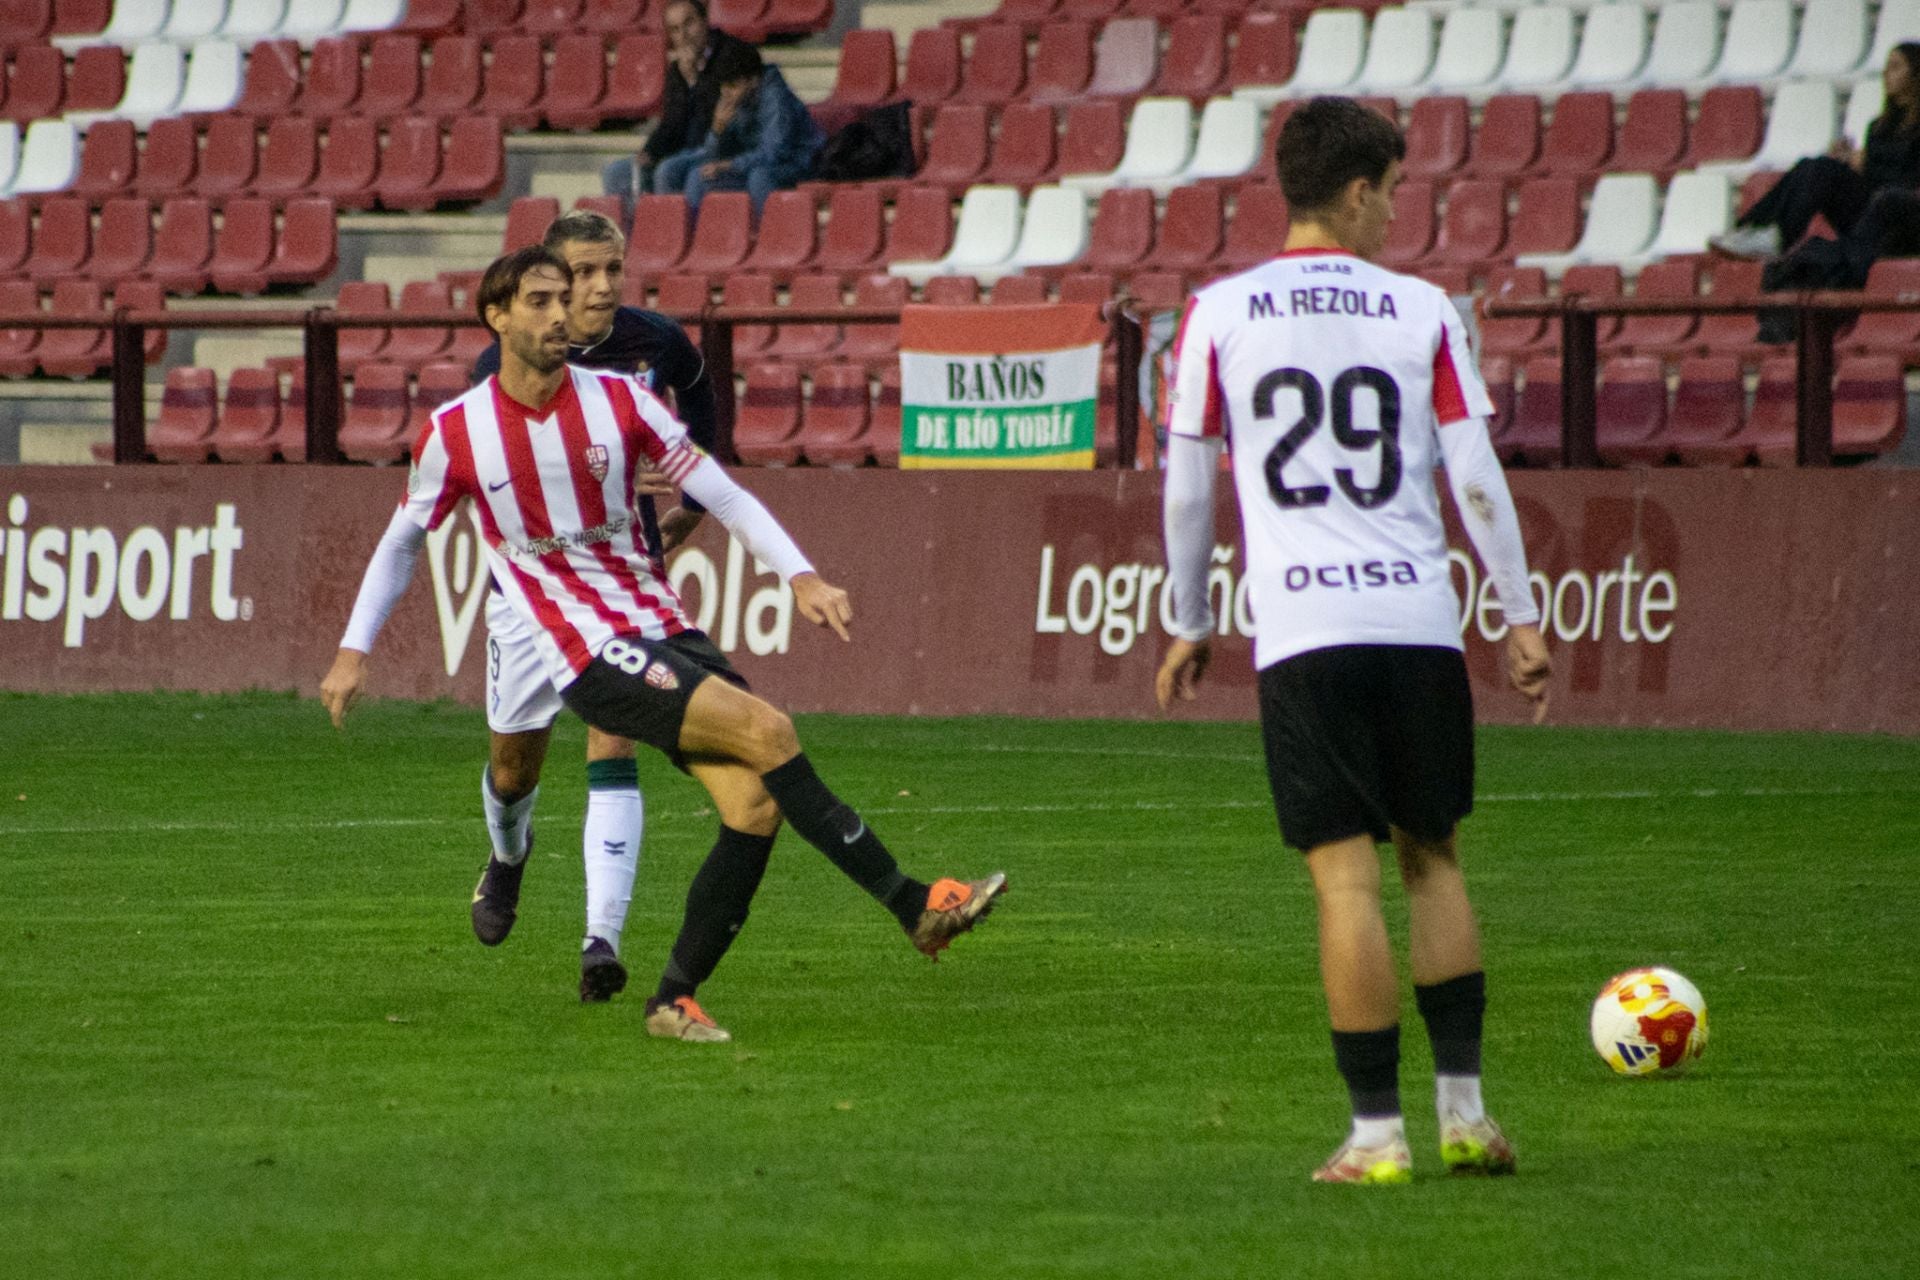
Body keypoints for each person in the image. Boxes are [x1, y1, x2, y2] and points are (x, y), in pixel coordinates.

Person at [321, 245, 1006, 1044]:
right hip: (582, 648)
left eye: (561, 298)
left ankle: (671, 999)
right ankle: (916, 903)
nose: (557, 313)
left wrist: (801, 576)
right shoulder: (457, 431)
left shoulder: (619, 399)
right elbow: (404, 541)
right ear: (496, 318)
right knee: (769, 732)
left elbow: (719, 489)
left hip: (661, 623)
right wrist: (352, 649)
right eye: (538, 301)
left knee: (754, 806)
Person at [1154, 97, 1552, 1185]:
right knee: (1434, 859)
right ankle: (1467, 1115)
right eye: (1393, 191)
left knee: (1344, 882)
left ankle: (1377, 1136)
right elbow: (1474, 471)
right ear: (1359, 187)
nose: (1394, 214)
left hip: (1305, 633)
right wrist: (1516, 612)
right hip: (1420, 623)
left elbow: (1190, 485)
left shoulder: (1218, 312)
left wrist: (1189, 619)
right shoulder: (1423, 309)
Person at [421, 208, 718, 1005]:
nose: (600, 287)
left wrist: (691, 500)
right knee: (514, 771)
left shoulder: (655, 342)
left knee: (612, 741)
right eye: (581, 273)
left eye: (612, 269)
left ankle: (602, 940)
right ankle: (508, 857)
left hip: (621, 583)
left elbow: (701, 403)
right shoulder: (502, 365)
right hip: (531, 593)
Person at [1710, 43, 1920, 263]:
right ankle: (1749, 229)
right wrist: (1849, 162)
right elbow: (1871, 176)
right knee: (1811, 165)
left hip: (1899, 219)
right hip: (1870, 212)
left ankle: (1775, 238)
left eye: (1896, 67)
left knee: (1823, 171)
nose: (1886, 73)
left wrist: (1860, 162)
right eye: (1886, 67)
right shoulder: (1879, 127)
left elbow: (1904, 180)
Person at [601, 0, 758, 222]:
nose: (683, 35)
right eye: (675, 30)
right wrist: (649, 152)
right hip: (685, 150)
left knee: (668, 169)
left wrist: (694, 80)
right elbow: (671, 123)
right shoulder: (678, 68)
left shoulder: (732, 53)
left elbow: (718, 118)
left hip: (722, 147)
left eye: (689, 23)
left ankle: (671, 242)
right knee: (617, 171)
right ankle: (628, 243)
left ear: (705, 21)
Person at [649, 42, 824, 218]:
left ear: (754, 80)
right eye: (723, 86)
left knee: (759, 177)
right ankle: (687, 239)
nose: (726, 93)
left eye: (732, 86)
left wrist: (730, 165)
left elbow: (774, 154)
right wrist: (717, 130)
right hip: (752, 162)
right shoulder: (733, 98)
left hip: (799, 164)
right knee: (694, 175)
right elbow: (713, 155)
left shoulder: (776, 99)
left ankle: (769, 238)